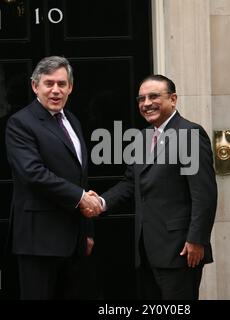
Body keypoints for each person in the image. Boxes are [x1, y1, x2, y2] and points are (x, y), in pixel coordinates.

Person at [86, 74, 217, 300]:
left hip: (181, 250)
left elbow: (204, 194)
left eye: (154, 96)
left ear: (173, 99)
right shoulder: (144, 137)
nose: (146, 104)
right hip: (148, 251)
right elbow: (130, 183)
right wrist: (101, 202)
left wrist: (197, 239)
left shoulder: (189, 134)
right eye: (141, 99)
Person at [5, 56, 102, 299]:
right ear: (35, 86)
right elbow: (33, 173)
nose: (56, 90)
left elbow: (80, 176)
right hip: (39, 241)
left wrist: (87, 230)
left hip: (74, 240)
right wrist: (81, 198)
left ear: (71, 87)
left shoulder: (73, 120)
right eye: (49, 83)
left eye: (62, 83)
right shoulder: (20, 123)